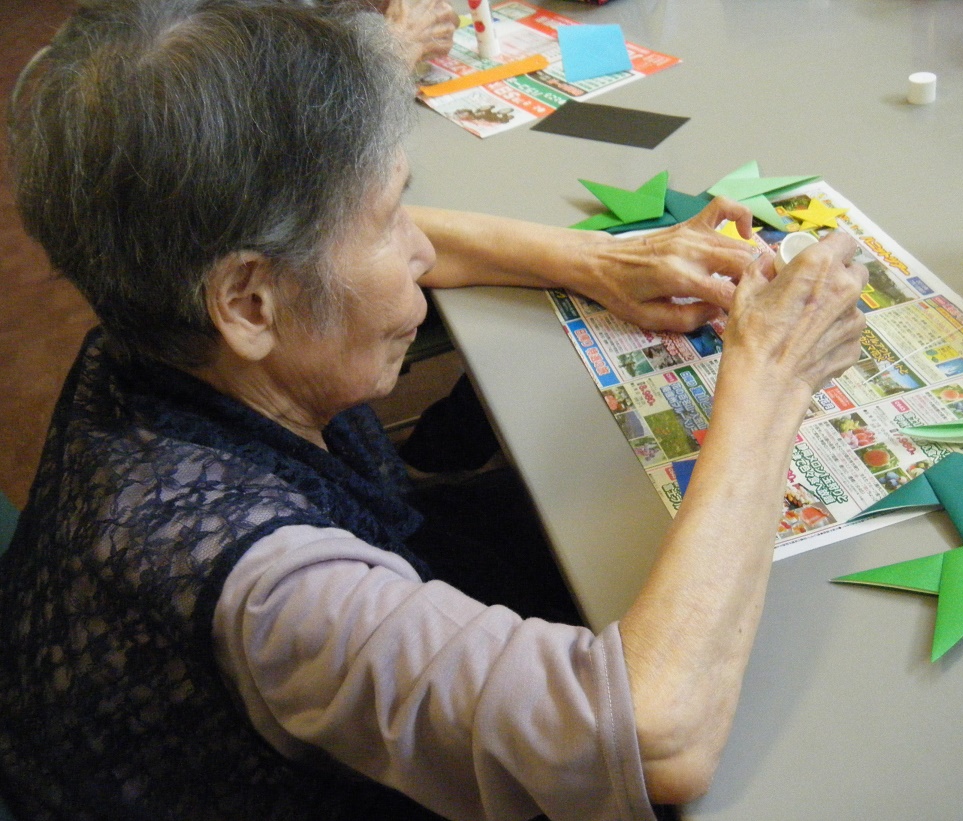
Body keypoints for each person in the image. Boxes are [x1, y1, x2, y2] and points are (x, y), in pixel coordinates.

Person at [0, 2, 867, 820]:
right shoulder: (271, 594)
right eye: (388, 222)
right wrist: (771, 378)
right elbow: (655, 736)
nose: (420, 250)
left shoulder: (176, 310)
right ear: (250, 303)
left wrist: (600, 262)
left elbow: (326, 247)